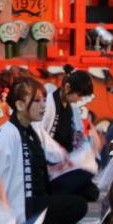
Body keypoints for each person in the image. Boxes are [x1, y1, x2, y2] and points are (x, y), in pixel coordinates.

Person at [0, 69, 87, 224]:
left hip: (34, 206)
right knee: (77, 205)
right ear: (20, 104)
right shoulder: (6, 134)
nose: (43, 106)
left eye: (44, 100)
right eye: (37, 101)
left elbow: (54, 156)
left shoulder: (31, 131)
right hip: (20, 213)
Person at [38, 66, 99, 201]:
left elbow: (77, 136)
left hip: (66, 163)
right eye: (79, 94)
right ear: (67, 87)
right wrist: (57, 151)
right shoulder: (49, 103)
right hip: (49, 164)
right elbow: (40, 134)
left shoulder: (71, 108)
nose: (79, 99)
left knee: (91, 191)